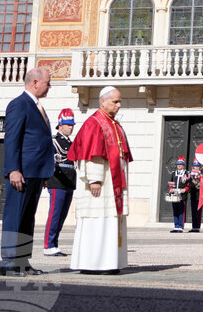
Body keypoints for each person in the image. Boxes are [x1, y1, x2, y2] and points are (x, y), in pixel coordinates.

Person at [67, 85, 133, 274]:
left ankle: (109, 262)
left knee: (110, 222)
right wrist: (94, 179)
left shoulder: (113, 123)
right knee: (97, 222)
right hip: (100, 185)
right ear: (103, 101)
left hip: (113, 185)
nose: (119, 105)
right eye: (115, 101)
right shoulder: (94, 123)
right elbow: (91, 154)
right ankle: (93, 263)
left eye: (119, 101)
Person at [0, 68, 56, 277]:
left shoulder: (36, 105)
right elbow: (12, 138)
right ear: (35, 82)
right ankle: (7, 262)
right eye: (48, 83)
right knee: (15, 216)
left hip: (35, 173)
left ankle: (22, 260)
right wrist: (14, 169)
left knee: (26, 218)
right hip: (21, 173)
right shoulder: (19, 104)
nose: (50, 87)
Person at [43, 109, 77, 255]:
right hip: (57, 180)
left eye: (72, 124)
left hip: (69, 180)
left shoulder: (71, 143)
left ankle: (54, 243)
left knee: (62, 216)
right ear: (60, 125)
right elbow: (47, 160)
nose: (71, 127)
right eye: (68, 124)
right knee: (55, 214)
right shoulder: (54, 141)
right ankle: (48, 245)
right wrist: (44, 178)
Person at [169, 157, 189, 233]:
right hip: (174, 193)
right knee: (175, 210)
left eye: (180, 164)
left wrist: (185, 189)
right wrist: (171, 188)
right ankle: (176, 225)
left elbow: (189, 183)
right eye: (178, 164)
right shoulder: (174, 173)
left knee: (181, 211)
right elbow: (171, 182)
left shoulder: (186, 173)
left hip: (182, 194)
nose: (179, 166)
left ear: (183, 165)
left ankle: (180, 226)